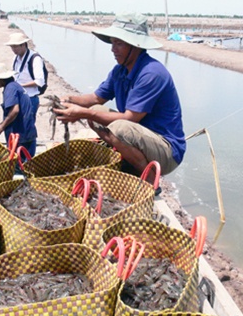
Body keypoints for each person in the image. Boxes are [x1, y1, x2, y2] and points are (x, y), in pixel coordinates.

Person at [54, 12, 186, 188]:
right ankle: (128, 159)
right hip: (140, 137)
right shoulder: (120, 70)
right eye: (113, 43)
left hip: (166, 150)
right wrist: (69, 99)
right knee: (97, 114)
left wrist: (83, 113)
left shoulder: (152, 73)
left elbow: (130, 119)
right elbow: (95, 98)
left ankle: (150, 182)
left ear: (135, 46)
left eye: (119, 44)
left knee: (118, 128)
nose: (113, 49)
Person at [0, 64, 36, 158]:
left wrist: (2, 126)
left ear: (1, 79)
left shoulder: (10, 88)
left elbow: (14, 110)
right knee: (28, 162)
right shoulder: (16, 86)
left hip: (20, 135)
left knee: (18, 165)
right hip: (28, 132)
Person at [4, 32, 45, 147]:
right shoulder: (15, 58)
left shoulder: (35, 58)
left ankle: (28, 157)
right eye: (12, 47)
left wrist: (20, 87)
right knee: (17, 128)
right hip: (18, 98)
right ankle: (18, 154)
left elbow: (39, 82)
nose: (13, 49)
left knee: (28, 130)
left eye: (15, 46)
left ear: (23, 45)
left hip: (30, 99)